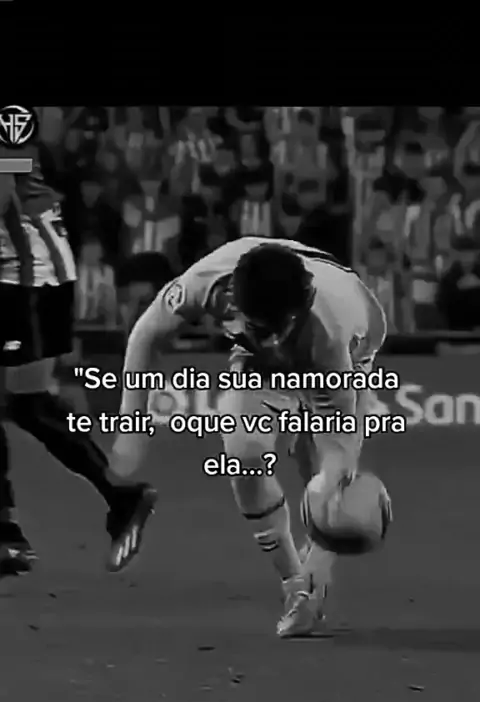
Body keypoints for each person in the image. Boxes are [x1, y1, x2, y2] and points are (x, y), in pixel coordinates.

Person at [110, 238, 388, 638]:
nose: (272, 342)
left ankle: (314, 575)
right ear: (234, 301)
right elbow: (145, 334)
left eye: (278, 329)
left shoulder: (333, 335)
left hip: (352, 344)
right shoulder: (207, 282)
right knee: (243, 455)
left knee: (323, 478)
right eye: (262, 329)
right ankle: (295, 589)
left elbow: (338, 447)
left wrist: (324, 548)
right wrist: (131, 425)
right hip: (262, 354)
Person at [0, 142, 156, 578]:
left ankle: (11, 533)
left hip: (28, 272)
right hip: (26, 267)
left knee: (27, 402)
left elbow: (4, 191)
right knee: (24, 403)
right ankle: (9, 534)